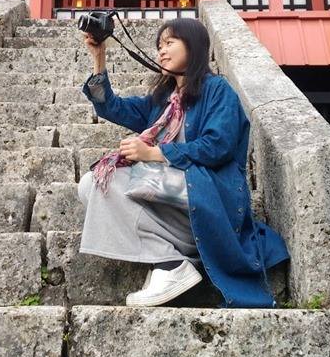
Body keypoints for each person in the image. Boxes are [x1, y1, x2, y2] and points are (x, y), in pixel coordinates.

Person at [77, 17, 290, 308]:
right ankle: (170, 261)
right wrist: (99, 56)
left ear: (194, 45)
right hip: (171, 199)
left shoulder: (217, 89)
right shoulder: (162, 101)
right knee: (91, 185)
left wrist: (154, 154)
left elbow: (218, 145)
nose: (161, 51)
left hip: (210, 198)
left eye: (170, 43)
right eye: (159, 46)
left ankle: (170, 264)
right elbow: (111, 107)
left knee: (111, 182)